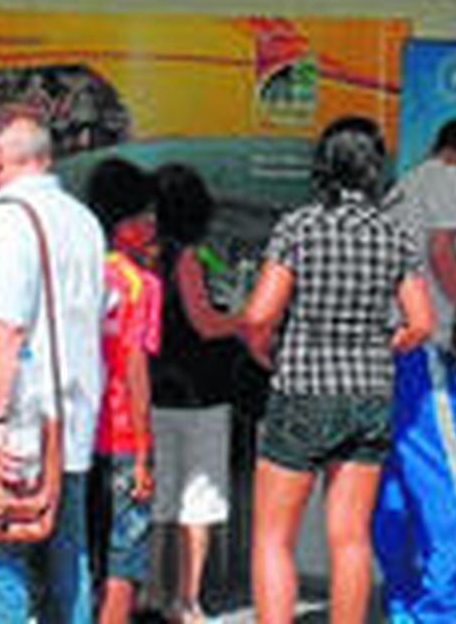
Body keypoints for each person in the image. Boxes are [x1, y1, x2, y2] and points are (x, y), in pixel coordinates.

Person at [239, 116, 434, 624]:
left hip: (302, 389)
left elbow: (259, 313)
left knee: (272, 536)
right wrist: (379, 346)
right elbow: (421, 323)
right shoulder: (393, 235)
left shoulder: (299, 226)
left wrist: (264, 349)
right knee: (349, 538)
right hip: (369, 394)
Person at [0, 107, 106, 624]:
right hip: (70, 424)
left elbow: (4, 327)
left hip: (20, 421)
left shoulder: (7, 221)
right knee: (70, 561)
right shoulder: (83, 221)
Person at [374, 116, 456, 622]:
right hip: (423, 355)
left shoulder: (400, 189)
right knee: (455, 486)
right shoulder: (445, 178)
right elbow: (442, 253)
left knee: (395, 486)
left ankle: (404, 603)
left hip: (385, 351)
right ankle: (442, 611)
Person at [149, 164, 245, 623]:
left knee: (154, 499)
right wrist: (246, 320)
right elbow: (204, 322)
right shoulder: (185, 256)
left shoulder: (141, 254)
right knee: (196, 500)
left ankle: (149, 590)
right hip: (197, 391)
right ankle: (185, 600)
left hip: (150, 389)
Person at [83, 159, 164, 624]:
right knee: (124, 558)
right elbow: (135, 368)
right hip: (121, 436)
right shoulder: (142, 286)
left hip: (77, 438)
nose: (152, 224)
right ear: (120, 224)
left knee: (82, 551)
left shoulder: (83, 272)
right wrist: (142, 453)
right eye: (142, 216)